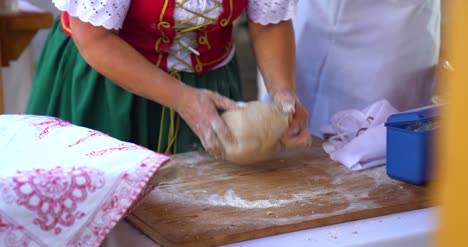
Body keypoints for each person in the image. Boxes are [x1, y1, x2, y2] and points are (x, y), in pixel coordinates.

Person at [26, 0, 312, 158]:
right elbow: (95, 38)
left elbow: (268, 23)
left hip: (211, 87)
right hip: (107, 88)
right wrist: (183, 99)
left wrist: (282, 91)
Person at [259, 0, 441, 136]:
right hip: (302, 23)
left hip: (395, 32)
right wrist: (281, 88)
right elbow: (266, 11)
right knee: (281, 136)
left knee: (379, 150)